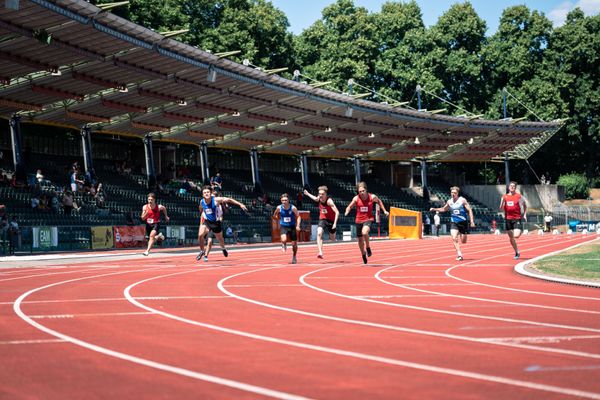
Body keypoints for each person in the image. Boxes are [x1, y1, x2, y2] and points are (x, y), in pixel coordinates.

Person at [197, 185, 247, 262]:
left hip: (216, 223)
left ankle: (223, 248)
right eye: (204, 193)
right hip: (207, 222)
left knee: (220, 239)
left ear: (211, 193)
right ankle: (202, 251)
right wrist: (202, 215)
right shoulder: (201, 201)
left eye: (208, 192)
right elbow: (200, 208)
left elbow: (229, 199)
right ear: (202, 194)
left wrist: (240, 204)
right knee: (200, 235)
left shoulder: (216, 200)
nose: (206, 194)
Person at [344, 182, 389, 264]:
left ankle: (368, 247)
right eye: (360, 191)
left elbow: (379, 202)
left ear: (366, 190)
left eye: (363, 191)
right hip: (358, 220)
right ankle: (363, 254)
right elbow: (349, 206)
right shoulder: (356, 198)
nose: (361, 193)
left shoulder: (372, 197)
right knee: (360, 241)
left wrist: (385, 210)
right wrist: (347, 211)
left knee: (364, 232)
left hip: (368, 218)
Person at [430, 186, 475, 261]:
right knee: (454, 238)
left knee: (463, 241)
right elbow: (443, 209)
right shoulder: (449, 201)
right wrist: (434, 209)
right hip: (454, 222)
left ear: (457, 193)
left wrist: (472, 221)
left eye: (454, 193)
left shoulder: (462, 200)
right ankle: (459, 254)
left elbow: (470, 210)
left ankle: (463, 233)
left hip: (463, 222)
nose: (453, 194)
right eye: (452, 192)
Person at [304, 186, 340, 259]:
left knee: (332, 238)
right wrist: (308, 194)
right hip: (323, 219)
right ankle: (320, 252)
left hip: (331, 221)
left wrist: (335, 224)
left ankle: (332, 236)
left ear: (326, 194)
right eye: (319, 194)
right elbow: (315, 198)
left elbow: (337, 212)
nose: (320, 195)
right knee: (319, 233)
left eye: (322, 194)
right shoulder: (319, 198)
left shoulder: (329, 201)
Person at [500, 181, 527, 259]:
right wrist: (502, 203)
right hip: (508, 219)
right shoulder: (504, 196)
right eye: (511, 186)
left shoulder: (519, 196)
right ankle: (516, 252)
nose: (512, 187)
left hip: (517, 218)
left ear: (515, 188)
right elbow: (501, 208)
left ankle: (520, 230)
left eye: (513, 186)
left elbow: (525, 205)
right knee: (511, 237)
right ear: (508, 187)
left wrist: (524, 214)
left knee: (516, 235)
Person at [273, 193, 301, 264]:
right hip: (284, 226)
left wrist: (298, 225)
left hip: (292, 226)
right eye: (282, 200)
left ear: (288, 200)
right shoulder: (279, 207)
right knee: (284, 239)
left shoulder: (293, 208)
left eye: (285, 200)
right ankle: (284, 244)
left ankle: (294, 256)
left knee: (294, 245)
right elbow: (275, 214)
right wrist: (276, 217)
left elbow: (298, 216)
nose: (284, 202)